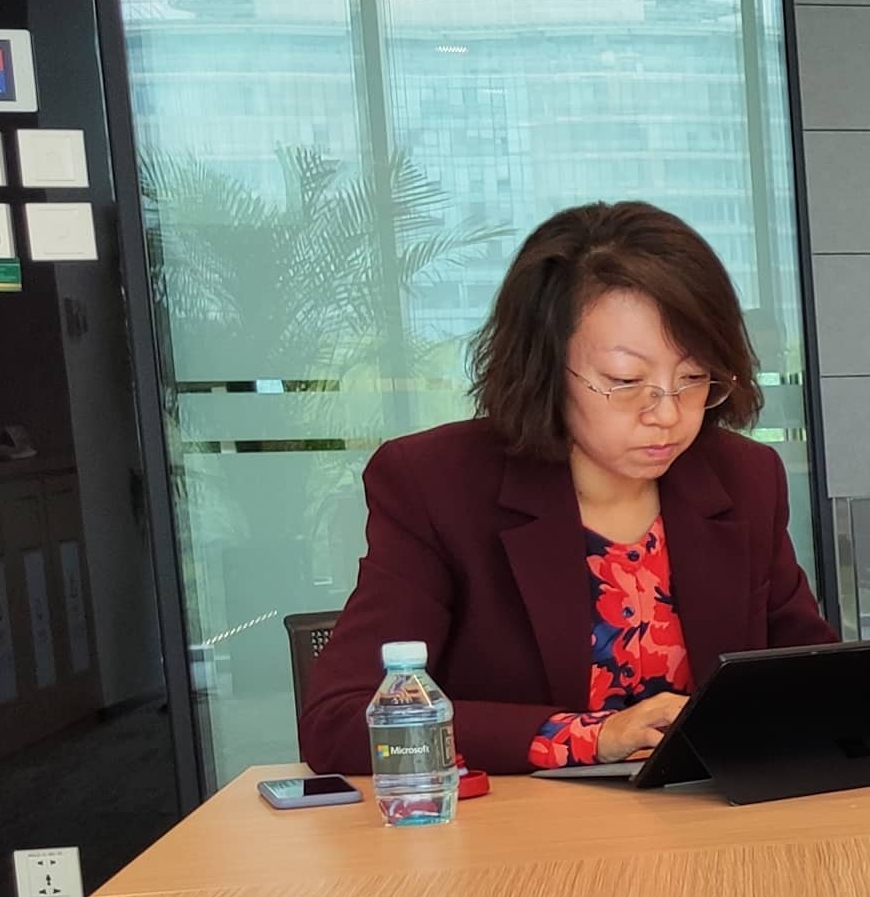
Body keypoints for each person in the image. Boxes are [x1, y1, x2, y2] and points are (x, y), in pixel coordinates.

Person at [298, 201, 835, 775]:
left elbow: (818, 683)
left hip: (708, 819)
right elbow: (342, 720)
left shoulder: (743, 477)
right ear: (546, 367)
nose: (668, 413)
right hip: (524, 826)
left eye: (693, 378)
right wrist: (591, 737)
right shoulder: (435, 484)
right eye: (626, 381)